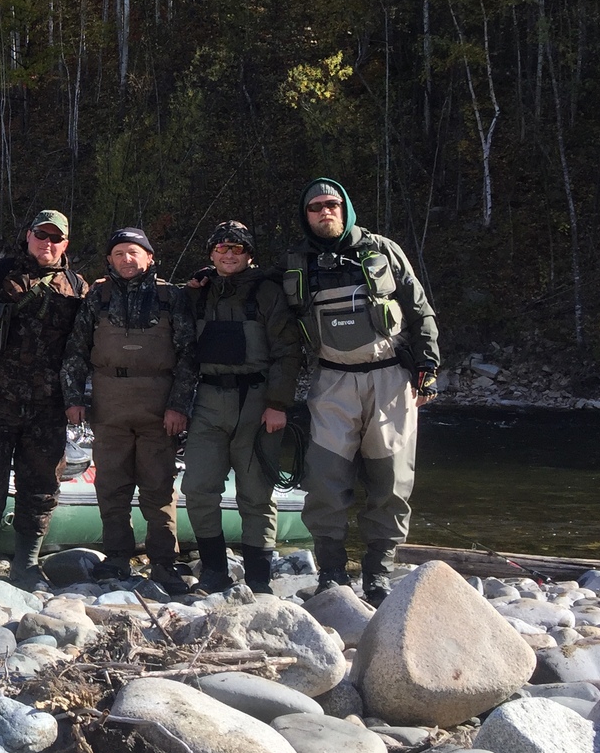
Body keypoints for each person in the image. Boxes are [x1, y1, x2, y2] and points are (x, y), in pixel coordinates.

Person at [285, 179, 439, 604]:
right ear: (306, 214)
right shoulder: (294, 262)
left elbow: (419, 307)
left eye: (331, 204)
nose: (324, 212)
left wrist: (428, 367)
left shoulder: (383, 250)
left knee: (390, 481)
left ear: (345, 208)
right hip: (331, 380)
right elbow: (255, 296)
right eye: (315, 207)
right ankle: (332, 572)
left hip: (391, 378)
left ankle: (379, 572)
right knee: (325, 482)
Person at [0, 210, 90, 591]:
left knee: (43, 485)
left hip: (48, 405)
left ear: (65, 243)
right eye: (40, 235)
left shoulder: (77, 288)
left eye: (54, 238)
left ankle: (26, 564)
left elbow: (85, 346)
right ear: (28, 236)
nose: (46, 243)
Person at [64, 227, 197, 593]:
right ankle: (117, 558)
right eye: (119, 253)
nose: (126, 259)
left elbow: (189, 356)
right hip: (109, 405)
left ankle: (164, 562)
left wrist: (178, 406)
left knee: (159, 488)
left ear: (149, 257)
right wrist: (74, 398)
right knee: (111, 486)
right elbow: (76, 350)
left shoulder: (172, 297)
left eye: (134, 252)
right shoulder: (98, 297)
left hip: (159, 407)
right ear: (109, 259)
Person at [182, 221, 301, 593]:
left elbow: (287, 350)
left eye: (237, 248)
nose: (229, 254)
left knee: (255, 493)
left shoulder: (268, 292)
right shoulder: (197, 292)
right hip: (209, 402)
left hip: (257, 402)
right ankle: (214, 570)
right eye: (221, 248)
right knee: (198, 487)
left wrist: (278, 404)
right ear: (211, 253)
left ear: (249, 254)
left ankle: (259, 578)